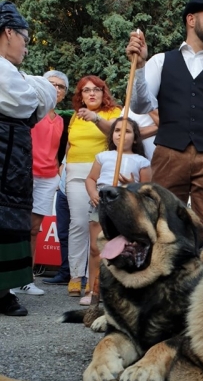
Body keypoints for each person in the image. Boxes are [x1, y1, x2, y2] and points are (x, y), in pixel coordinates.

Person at [126, 0, 203, 238]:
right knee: (161, 224)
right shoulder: (160, 61)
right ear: (191, 20)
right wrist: (139, 68)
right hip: (169, 153)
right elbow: (140, 106)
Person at [0, 0, 56, 316]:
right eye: (24, 37)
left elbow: (36, 99)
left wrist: (34, 88)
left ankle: (3, 292)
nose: (26, 46)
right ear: (9, 32)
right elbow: (27, 99)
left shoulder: (13, 74)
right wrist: (35, 89)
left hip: (14, 161)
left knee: (10, 222)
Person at [83, 117, 151, 305]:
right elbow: (90, 179)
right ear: (112, 134)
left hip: (125, 207)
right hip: (101, 203)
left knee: (121, 250)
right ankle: (92, 290)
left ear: (135, 138)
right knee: (96, 248)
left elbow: (146, 189)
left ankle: (118, 292)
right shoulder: (103, 157)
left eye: (127, 131)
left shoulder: (142, 161)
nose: (121, 134)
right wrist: (93, 193)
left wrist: (132, 185)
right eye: (117, 130)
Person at [12, 70, 68, 296]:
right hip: (26, 175)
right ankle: (10, 277)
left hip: (48, 178)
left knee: (34, 230)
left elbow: (56, 152)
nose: (55, 89)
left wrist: (57, 174)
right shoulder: (31, 111)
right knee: (17, 228)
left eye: (60, 86)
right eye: (51, 84)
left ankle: (26, 278)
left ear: (64, 93)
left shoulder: (62, 120)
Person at [66, 76, 121, 297]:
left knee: (98, 228)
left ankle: (95, 281)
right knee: (78, 224)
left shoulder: (113, 112)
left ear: (103, 92)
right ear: (80, 95)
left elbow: (115, 134)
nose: (91, 94)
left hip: (100, 174)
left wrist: (95, 118)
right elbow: (70, 143)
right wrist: (63, 167)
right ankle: (75, 276)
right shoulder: (75, 117)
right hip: (74, 173)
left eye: (96, 89)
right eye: (86, 90)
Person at [43, 159, 71, 285]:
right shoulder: (72, 143)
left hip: (82, 191)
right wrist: (61, 183)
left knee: (82, 236)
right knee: (63, 234)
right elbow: (63, 165)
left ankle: (81, 276)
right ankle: (65, 272)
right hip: (63, 192)